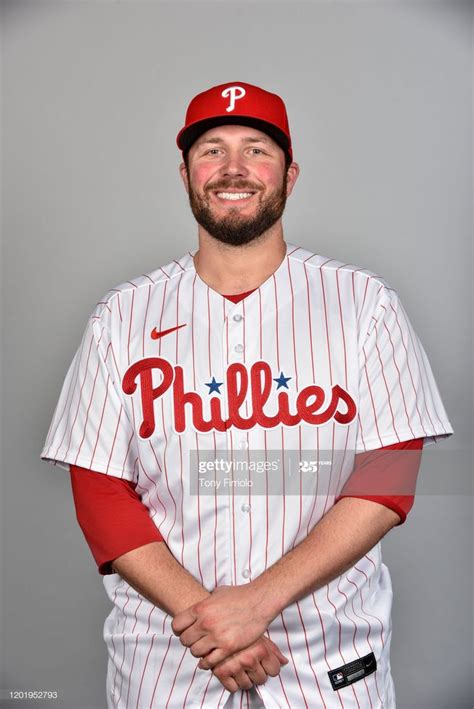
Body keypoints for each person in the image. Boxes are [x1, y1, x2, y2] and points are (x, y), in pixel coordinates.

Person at [41, 81, 454, 708]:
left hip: (326, 652)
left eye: (257, 150)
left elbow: (389, 475)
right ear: (185, 174)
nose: (233, 169)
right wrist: (208, 619)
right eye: (212, 150)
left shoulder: (365, 305)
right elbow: (99, 490)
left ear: (290, 175)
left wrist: (257, 602)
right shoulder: (120, 317)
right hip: (168, 658)